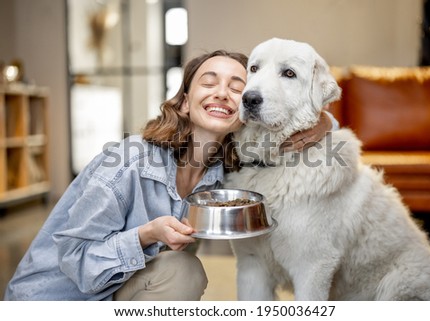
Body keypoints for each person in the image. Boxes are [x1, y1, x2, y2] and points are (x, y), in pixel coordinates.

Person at [4, 49, 335, 301]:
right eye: (209, 82)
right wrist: (146, 234)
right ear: (186, 103)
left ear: (246, 112)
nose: (222, 92)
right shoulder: (127, 159)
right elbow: (75, 260)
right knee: (183, 270)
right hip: (54, 301)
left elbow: (295, 123)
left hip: (114, 293)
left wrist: (324, 121)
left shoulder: (226, 176)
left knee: (181, 271)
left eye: (237, 88)